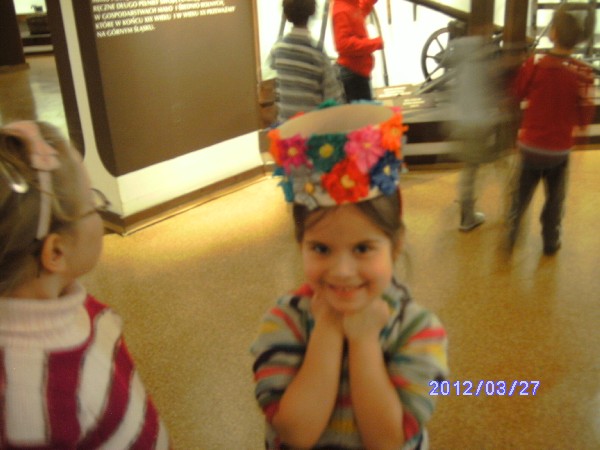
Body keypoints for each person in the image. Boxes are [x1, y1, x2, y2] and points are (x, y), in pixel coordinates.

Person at [251, 103, 447, 449]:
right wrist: (327, 327)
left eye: (362, 248)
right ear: (300, 244)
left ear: (396, 245)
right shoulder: (283, 321)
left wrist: (364, 339)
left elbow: (386, 442)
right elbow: (296, 434)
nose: (342, 272)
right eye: (321, 248)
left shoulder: (419, 331)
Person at [0, 121, 169, 448]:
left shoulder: (65, 301)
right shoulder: (36, 405)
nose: (99, 211)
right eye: (91, 203)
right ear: (56, 252)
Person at [508, 6, 594, 254]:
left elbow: (518, 92)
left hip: (530, 145)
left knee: (521, 194)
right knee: (555, 200)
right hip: (559, 150)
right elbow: (584, 116)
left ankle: (512, 231)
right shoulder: (583, 72)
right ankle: (550, 240)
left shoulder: (535, 63)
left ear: (553, 33)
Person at [269, 0, 345, 122]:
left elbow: (272, 65)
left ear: (286, 15)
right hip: (311, 126)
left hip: (286, 126)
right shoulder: (318, 53)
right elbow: (332, 97)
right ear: (312, 11)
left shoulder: (278, 49)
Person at [332, 0, 383, 102]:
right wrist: (375, 43)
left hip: (357, 73)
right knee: (361, 111)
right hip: (353, 76)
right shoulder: (341, 10)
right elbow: (343, 44)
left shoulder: (351, 4)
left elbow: (359, 12)